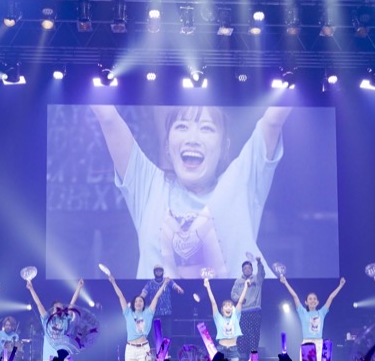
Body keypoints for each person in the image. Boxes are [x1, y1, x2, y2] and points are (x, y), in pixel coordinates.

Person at [89, 104, 292, 278]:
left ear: (224, 147)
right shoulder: (149, 185)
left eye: (206, 128)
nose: (192, 138)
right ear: (167, 145)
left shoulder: (239, 181)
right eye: (182, 126)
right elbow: (108, 118)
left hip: (235, 310)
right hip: (161, 310)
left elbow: (273, 121)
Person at [279, 275, 345, 361]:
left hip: (319, 344)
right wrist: (285, 282)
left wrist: (340, 285)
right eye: (310, 299)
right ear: (306, 302)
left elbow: (331, 297)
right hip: (307, 343)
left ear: (317, 302)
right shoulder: (303, 312)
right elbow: (295, 296)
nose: (312, 300)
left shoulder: (321, 312)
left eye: (314, 299)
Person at [108, 272, 168, 361]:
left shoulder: (148, 313)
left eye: (140, 301)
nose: (138, 302)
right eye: (136, 301)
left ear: (143, 304)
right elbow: (120, 296)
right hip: (130, 349)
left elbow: (156, 297)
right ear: (133, 304)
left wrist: (164, 284)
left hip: (143, 349)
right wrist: (113, 282)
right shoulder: (128, 313)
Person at [26, 278, 84, 361]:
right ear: (52, 310)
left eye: (62, 308)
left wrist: (78, 288)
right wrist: (31, 289)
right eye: (58, 308)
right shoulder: (47, 319)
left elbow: (72, 304)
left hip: (63, 358)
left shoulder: (66, 320)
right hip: (48, 358)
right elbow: (39, 304)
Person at [205, 277, 250, 361]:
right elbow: (213, 303)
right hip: (221, 350)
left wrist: (246, 287)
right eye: (225, 306)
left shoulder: (235, 317)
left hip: (233, 351)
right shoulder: (218, 318)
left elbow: (240, 302)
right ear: (222, 309)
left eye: (230, 306)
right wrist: (208, 287)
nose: (228, 308)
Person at [232, 257, 266, 361]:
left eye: (249, 268)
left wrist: (259, 263)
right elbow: (233, 294)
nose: (247, 269)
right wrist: (239, 299)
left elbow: (262, 273)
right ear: (242, 270)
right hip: (242, 313)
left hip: (254, 312)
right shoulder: (238, 281)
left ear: (252, 269)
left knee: (253, 341)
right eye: (245, 268)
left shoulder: (257, 279)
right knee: (241, 340)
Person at [139, 265, 184, 337]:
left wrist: (179, 289)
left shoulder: (168, 281)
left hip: (167, 312)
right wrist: (139, 299)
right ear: (154, 272)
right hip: (155, 313)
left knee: (167, 334)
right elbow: (144, 293)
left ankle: (167, 345)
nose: (158, 272)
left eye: (160, 270)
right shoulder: (150, 283)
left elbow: (177, 287)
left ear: (163, 272)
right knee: (157, 334)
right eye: (156, 270)